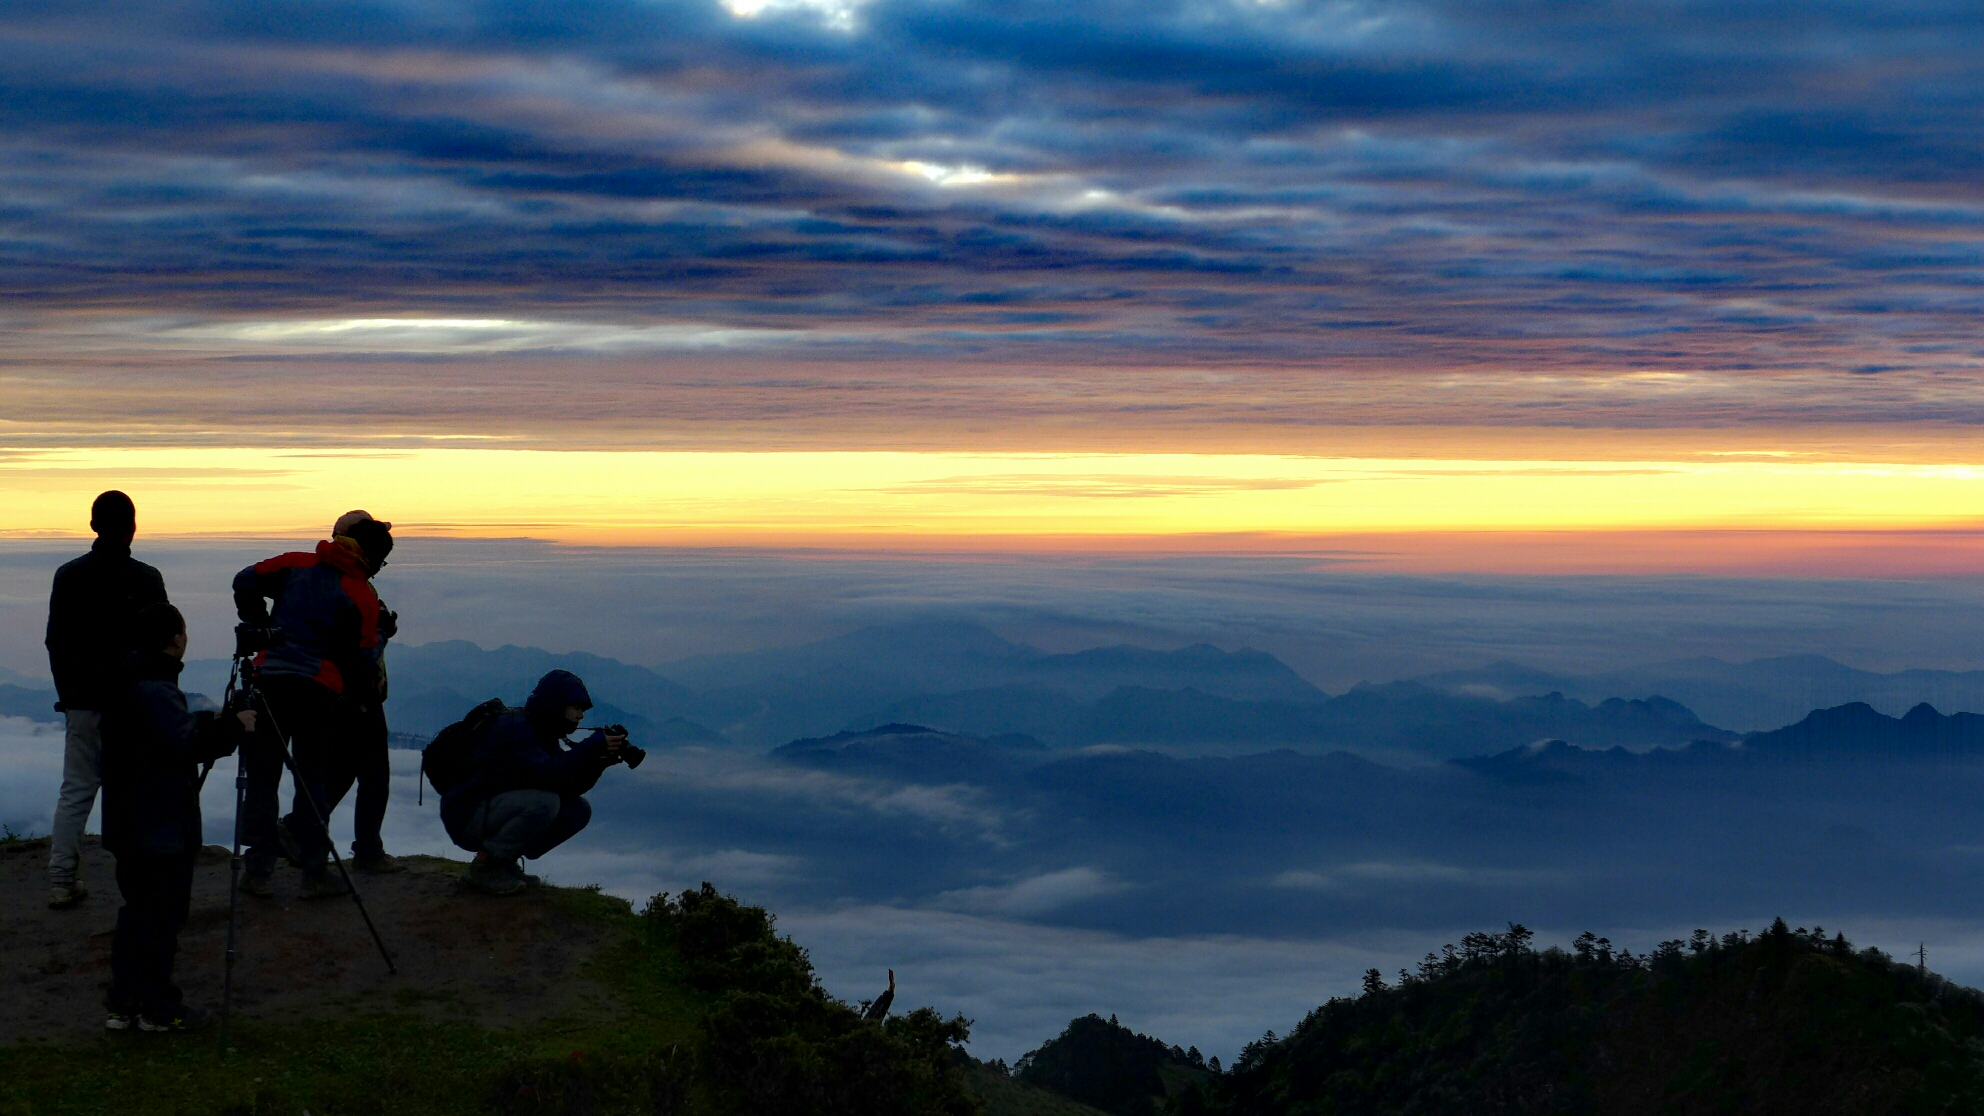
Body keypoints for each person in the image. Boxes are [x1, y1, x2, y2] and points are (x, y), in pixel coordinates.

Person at [99, 603, 256, 1032]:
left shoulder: (129, 679)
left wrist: (216, 721)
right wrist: (235, 728)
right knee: (161, 920)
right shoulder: (155, 687)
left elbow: (163, 735)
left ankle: (125, 1003)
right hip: (160, 825)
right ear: (175, 639)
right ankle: (159, 1010)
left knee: (137, 915)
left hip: (130, 822)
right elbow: (185, 746)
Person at [231, 510, 398, 898]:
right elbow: (362, 661)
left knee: (261, 778)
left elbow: (244, 580)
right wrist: (382, 633)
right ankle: (315, 873)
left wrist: (259, 627)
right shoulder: (360, 596)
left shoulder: (295, 563)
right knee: (313, 782)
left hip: (268, 681)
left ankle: (257, 872)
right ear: (369, 558)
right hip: (318, 692)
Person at [43, 490, 170, 910]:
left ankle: (62, 878)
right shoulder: (146, 578)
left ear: (93, 524)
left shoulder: (68, 575)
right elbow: (162, 644)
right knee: (135, 790)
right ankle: (141, 882)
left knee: (77, 788)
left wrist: (70, 696)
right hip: (134, 701)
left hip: (82, 699)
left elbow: (55, 641)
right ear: (133, 525)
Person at [439, 670, 633, 896]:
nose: (581, 716)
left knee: (577, 810)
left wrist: (598, 762)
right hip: (466, 816)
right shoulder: (516, 728)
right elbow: (552, 773)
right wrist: (591, 747)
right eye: (577, 707)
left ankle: (504, 861)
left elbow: (565, 786)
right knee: (545, 803)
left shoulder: (542, 731)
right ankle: (486, 866)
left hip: (488, 810)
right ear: (558, 704)